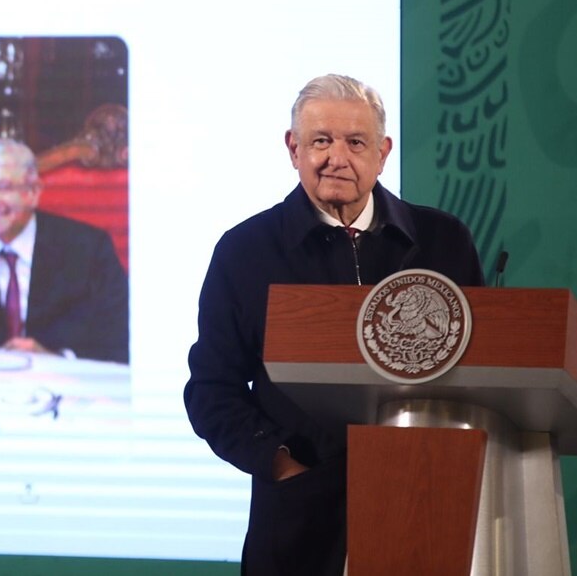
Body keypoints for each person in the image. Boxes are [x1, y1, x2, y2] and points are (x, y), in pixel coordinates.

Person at [184, 74, 484, 575]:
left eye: (355, 143)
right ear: (293, 149)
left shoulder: (443, 241)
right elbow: (211, 391)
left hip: (426, 509)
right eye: (320, 141)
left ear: (383, 153)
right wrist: (283, 466)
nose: (336, 158)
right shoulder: (244, 251)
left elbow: (479, 376)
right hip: (297, 527)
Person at [0, 137, 129, 364]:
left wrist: (55, 358)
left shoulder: (88, 249)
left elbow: (119, 335)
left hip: (63, 378)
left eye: (3, 188)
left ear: (33, 192)